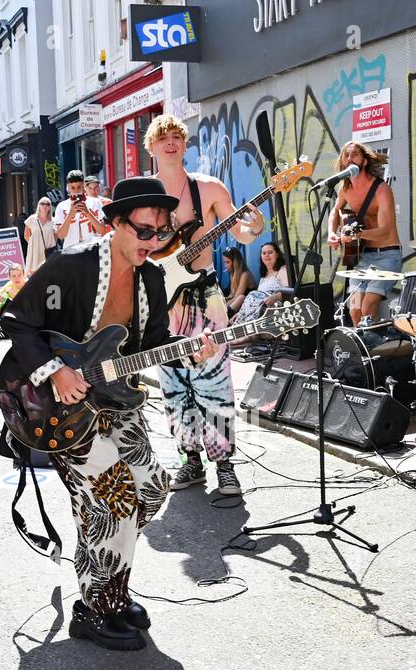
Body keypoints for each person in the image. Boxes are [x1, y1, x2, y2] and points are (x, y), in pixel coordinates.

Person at [0, 177, 216, 651]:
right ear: (115, 223)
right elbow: (16, 318)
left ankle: (105, 577)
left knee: (153, 488)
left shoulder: (152, 279)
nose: (151, 242)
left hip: (116, 398)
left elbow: (153, 343)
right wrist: (56, 372)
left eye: (159, 234)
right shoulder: (72, 267)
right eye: (142, 231)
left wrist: (190, 350)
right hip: (58, 406)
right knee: (114, 500)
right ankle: (96, 607)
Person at [147, 113, 264, 497]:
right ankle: (190, 461)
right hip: (160, 303)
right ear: (151, 146)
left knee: (214, 381)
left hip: (205, 297)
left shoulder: (209, 188)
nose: (170, 142)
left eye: (176, 136)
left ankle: (225, 464)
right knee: (174, 384)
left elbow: (239, 229)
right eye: (162, 137)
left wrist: (255, 229)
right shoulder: (142, 192)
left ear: (185, 145)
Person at [327, 140, 401, 327]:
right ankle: (369, 349)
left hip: (386, 255)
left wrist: (357, 235)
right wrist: (331, 233)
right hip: (361, 258)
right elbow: (335, 211)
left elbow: (385, 231)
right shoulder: (345, 189)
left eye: (355, 154)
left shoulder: (381, 189)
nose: (350, 158)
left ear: (365, 161)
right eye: (346, 155)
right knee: (354, 310)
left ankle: (378, 350)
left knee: (367, 307)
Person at [234, 241, 292, 323]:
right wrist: (240, 313)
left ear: (277, 254)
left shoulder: (282, 270)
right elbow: (254, 301)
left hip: (274, 309)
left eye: (270, 252)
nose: (266, 255)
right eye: (264, 253)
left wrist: (274, 297)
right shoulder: (263, 277)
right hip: (260, 311)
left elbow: (289, 292)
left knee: (252, 294)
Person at [54, 169, 109, 249]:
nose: (76, 191)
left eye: (79, 187)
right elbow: (61, 236)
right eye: (73, 188)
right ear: (68, 188)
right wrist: (70, 215)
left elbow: (102, 230)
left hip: (92, 250)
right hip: (70, 252)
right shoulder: (61, 206)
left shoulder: (96, 202)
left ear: (83, 186)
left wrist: (87, 213)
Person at [23, 196, 55, 274]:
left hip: (48, 251)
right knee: (34, 275)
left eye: (47, 204)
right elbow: (26, 235)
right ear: (38, 205)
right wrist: (33, 245)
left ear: (50, 207)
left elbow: (56, 237)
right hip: (35, 251)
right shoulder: (32, 219)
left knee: (49, 273)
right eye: (42, 203)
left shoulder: (54, 221)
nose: (45, 206)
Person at [223, 246, 256, 316]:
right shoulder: (232, 274)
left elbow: (236, 298)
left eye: (227, 262)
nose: (225, 266)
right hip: (237, 309)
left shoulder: (245, 275)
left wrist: (221, 308)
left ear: (235, 263)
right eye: (224, 262)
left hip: (247, 309)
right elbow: (231, 296)